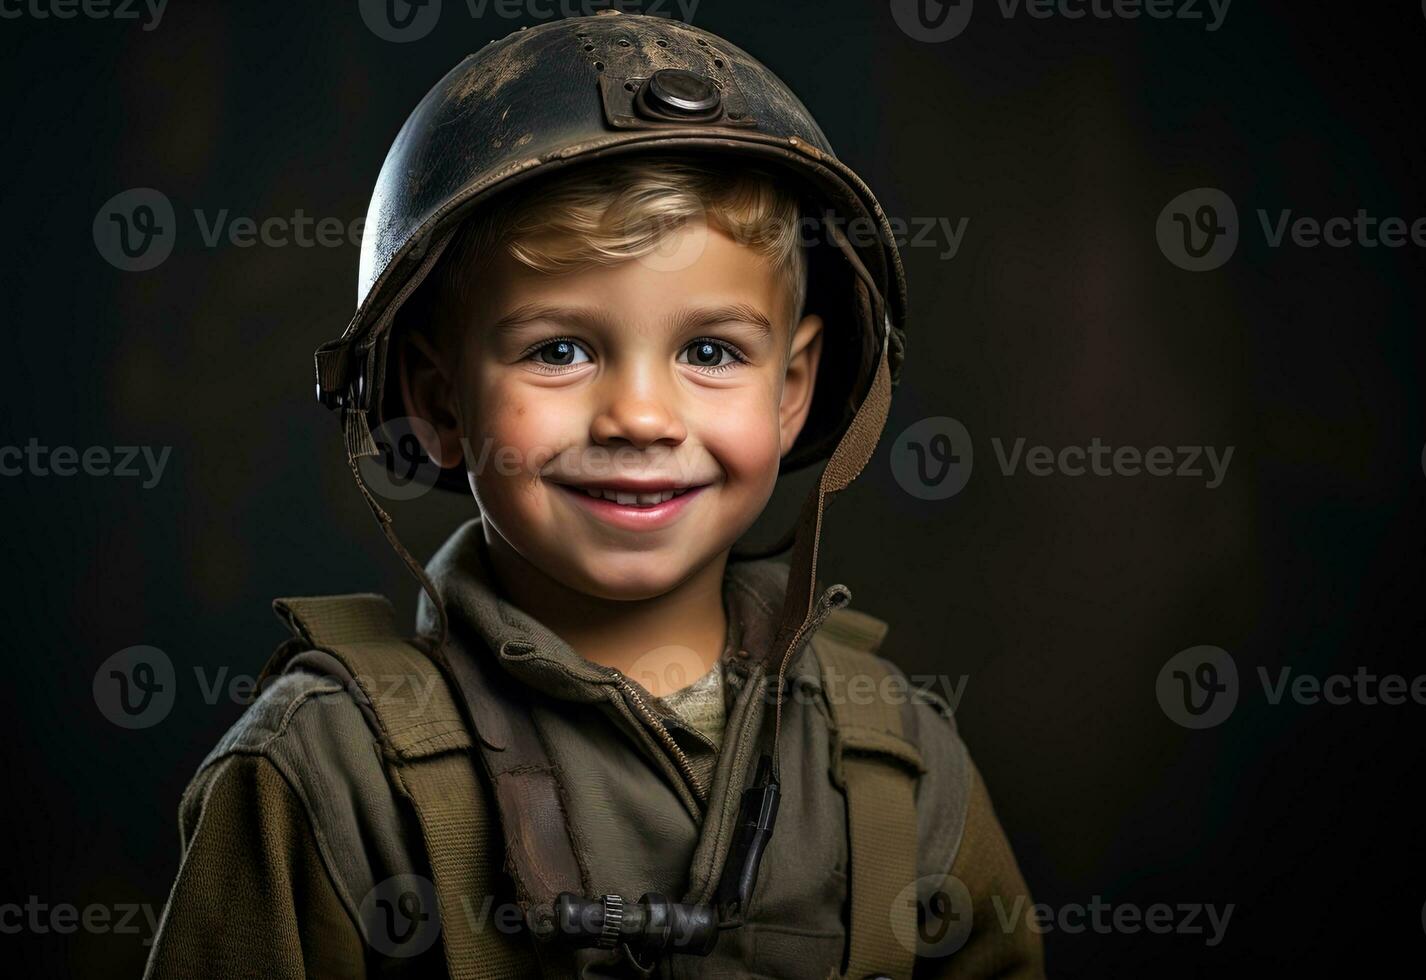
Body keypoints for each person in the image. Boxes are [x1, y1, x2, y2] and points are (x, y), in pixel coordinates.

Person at [144, 12, 1044, 979]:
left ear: (794, 390)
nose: (641, 418)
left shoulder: (897, 762)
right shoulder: (327, 774)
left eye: (710, 352)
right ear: (438, 400)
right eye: (559, 350)